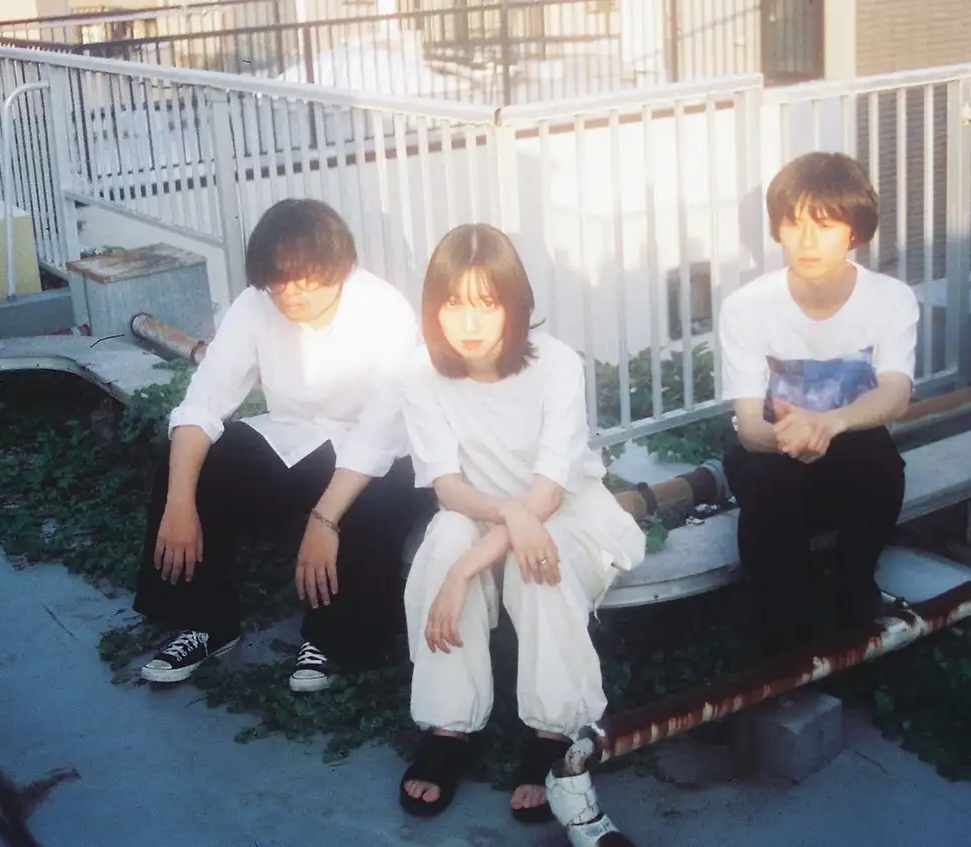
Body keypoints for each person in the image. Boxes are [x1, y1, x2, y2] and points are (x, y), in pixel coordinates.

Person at [395, 224, 646, 821]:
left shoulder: (555, 364)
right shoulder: (420, 370)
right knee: (446, 539)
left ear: (516, 304)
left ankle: (553, 735)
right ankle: (448, 731)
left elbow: (549, 493)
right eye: (453, 303)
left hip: (567, 515)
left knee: (539, 554)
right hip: (481, 513)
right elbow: (447, 485)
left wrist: (466, 572)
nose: (469, 322)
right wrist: (503, 519)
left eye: (487, 302)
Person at [132, 198, 434, 692]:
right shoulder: (256, 304)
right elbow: (203, 401)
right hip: (296, 434)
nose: (288, 292)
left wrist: (323, 520)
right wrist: (179, 504)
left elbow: (379, 433)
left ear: (338, 267)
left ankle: (335, 639)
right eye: (277, 281)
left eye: (302, 279)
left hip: (381, 453)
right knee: (199, 462)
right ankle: (205, 621)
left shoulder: (384, 311)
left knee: (372, 499)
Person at [718, 151, 919, 658]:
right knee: (770, 486)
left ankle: (855, 602)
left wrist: (828, 424)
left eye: (825, 224)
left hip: (852, 445)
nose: (807, 241)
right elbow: (749, 427)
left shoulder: (890, 298)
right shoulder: (746, 307)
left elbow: (896, 393)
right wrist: (796, 436)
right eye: (793, 223)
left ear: (855, 231)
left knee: (881, 468)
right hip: (774, 449)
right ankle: (779, 640)